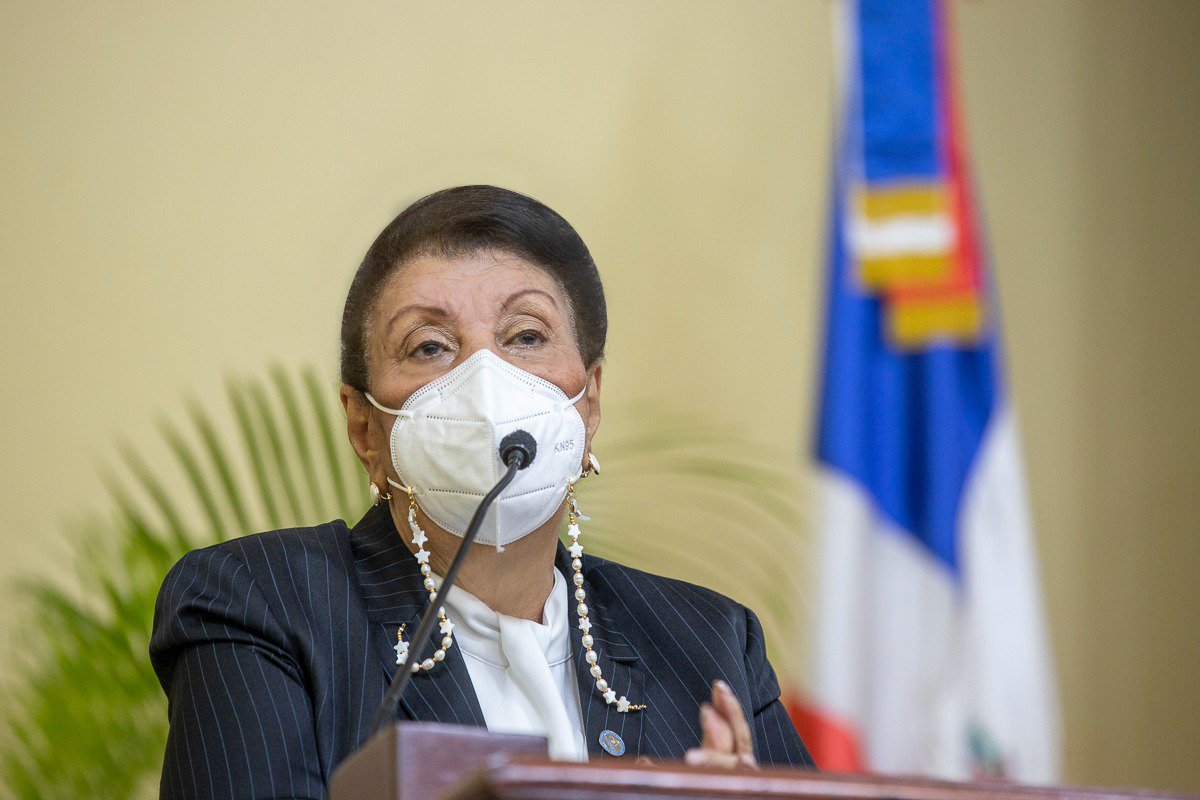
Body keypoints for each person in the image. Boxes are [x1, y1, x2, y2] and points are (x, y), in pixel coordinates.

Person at [149, 185, 814, 799]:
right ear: (364, 428)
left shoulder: (709, 642)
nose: (485, 383)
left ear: (588, 404)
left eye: (525, 336)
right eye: (430, 347)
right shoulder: (261, 604)